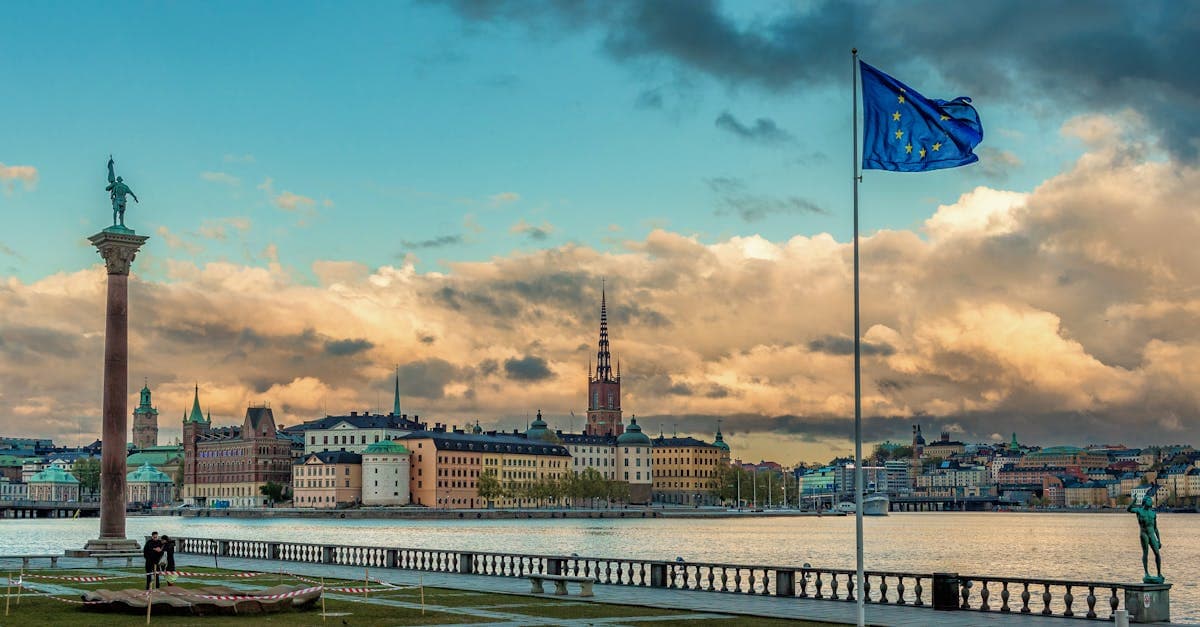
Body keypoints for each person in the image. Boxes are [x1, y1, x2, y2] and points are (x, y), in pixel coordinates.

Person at [1127, 494, 1163, 581]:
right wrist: (1133, 501)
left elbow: (1155, 528)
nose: (1150, 502)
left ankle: (1159, 573)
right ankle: (1146, 573)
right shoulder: (1139, 511)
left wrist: (1159, 540)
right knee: (1145, 553)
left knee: (1157, 554)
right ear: (1144, 502)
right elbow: (1129, 509)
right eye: (1148, 500)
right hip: (1144, 534)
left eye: (1151, 501)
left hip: (1151, 534)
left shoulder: (1153, 513)